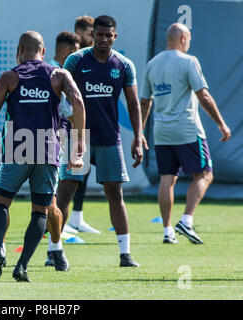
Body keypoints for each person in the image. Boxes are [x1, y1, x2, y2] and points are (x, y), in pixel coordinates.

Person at [0, 31, 86, 282]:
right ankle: (22, 266)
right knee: (40, 212)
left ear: (20, 49)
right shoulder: (59, 75)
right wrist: (79, 144)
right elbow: (77, 100)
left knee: (1, 203)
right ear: (43, 52)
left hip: (17, 148)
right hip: (47, 149)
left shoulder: (11, 76)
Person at [56, 15, 144, 267]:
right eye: (100, 34)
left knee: (115, 194)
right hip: (77, 138)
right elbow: (59, 94)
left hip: (109, 139)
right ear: (92, 35)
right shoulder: (76, 60)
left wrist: (138, 137)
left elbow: (134, 103)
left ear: (115, 37)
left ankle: (125, 254)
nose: (104, 39)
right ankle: (54, 249)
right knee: (65, 193)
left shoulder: (124, 65)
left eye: (109, 35)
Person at [139, 23, 231, 244]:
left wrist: (140, 132)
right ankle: (187, 220)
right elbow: (204, 97)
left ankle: (167, 231)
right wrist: (221, 123)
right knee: (205, 174)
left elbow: (144, 102)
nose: (189, 42)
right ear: (182, 38)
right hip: (187, 129)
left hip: (161, 132)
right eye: (188, 38)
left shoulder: (152, 64)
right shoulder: (189, 62)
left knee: (166, 179)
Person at [44, 30, 80, 270]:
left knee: (61, 198)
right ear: (67, 52)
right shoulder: (57, 75)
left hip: (62, 139)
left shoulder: (56, 73)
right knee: (58, 198)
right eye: (75, 51)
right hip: (60, 141)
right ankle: (53, 248)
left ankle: (52, 247)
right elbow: (67, 110)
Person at [64, 14, 101, 235]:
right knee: (66, 174)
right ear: (80, 34)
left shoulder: (95, 59)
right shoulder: (72, 58)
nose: (95, 38)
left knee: (82, 172)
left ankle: (76, 218)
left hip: (88, 126)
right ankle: (59, 220)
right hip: (68, 125)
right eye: (91, 34)